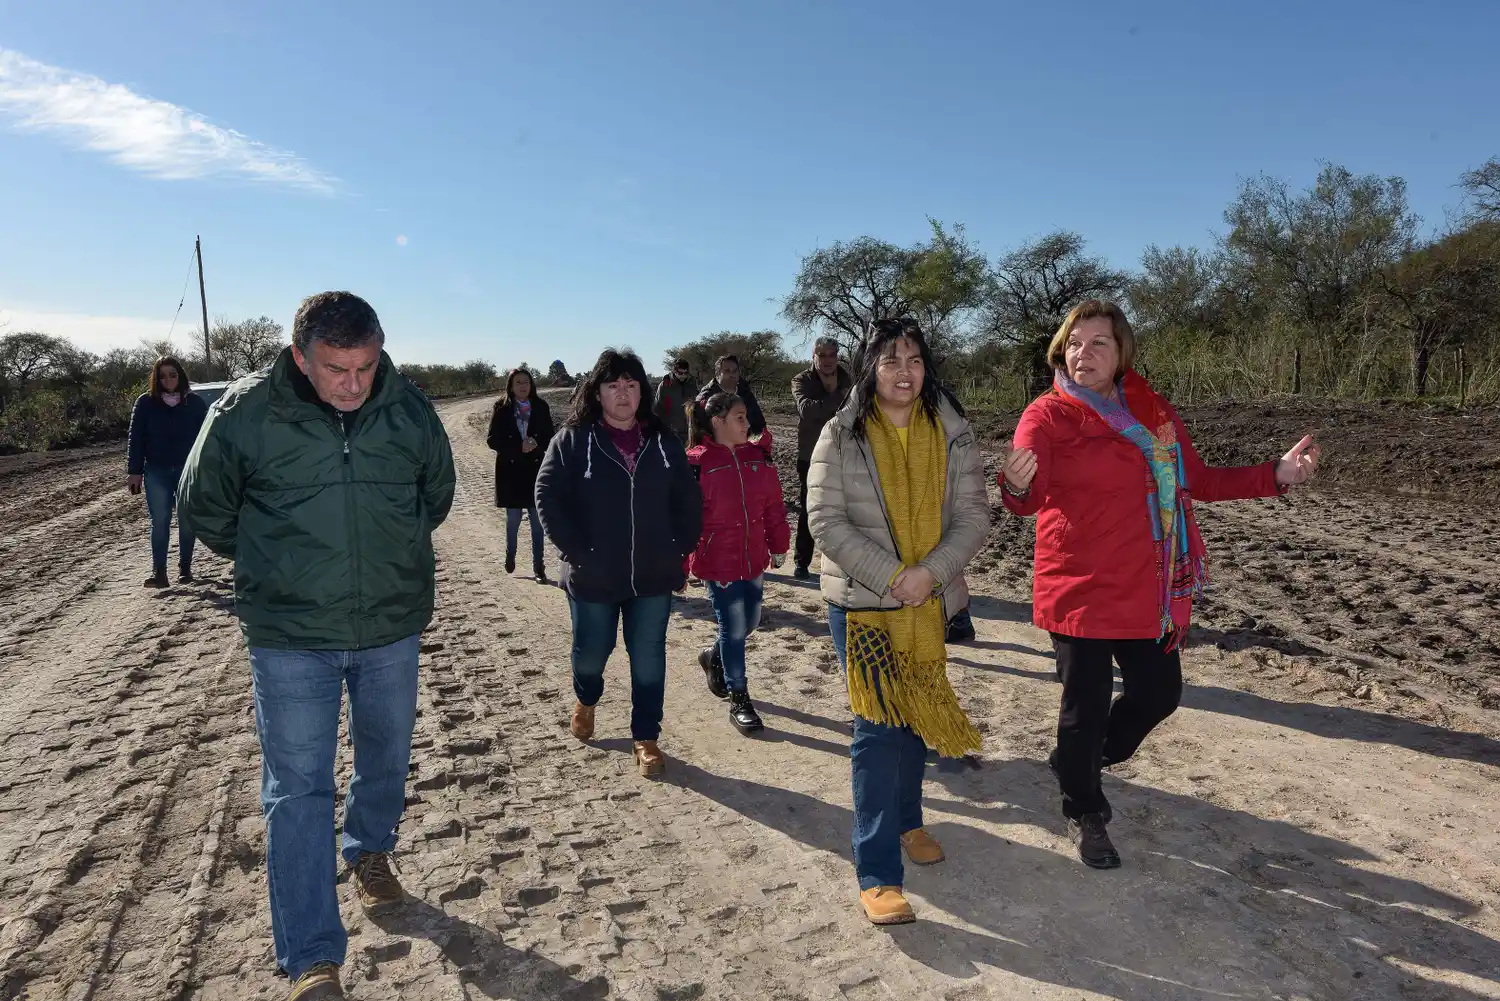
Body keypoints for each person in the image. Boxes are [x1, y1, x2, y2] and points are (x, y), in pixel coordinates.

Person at [179, 291, 455, 1001]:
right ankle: (312, 958)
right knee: (298, 787)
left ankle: (370, 850)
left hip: (388, 624)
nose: (354, 385)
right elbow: (202, 505)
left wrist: (386, 555)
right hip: (290, 636)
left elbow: (435, 496)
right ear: (300, 357)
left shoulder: (408, 409)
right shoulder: (245, 414)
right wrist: (276, 563)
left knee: (386, 755)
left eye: (366, 366)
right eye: (336, 368)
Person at [1001, 299, 1319, 872]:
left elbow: (1197, 481)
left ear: (1121, 351)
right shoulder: (1046, 414)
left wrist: (1276, 474)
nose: (1083, 353)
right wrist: (1017, 485)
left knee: (1158, 694)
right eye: (1074, 343)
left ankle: (1079, 761)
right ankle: (1085, 807)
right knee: (1084, 705)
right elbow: (1027, 499)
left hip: (1147, 583)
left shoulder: (1152, 410)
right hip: (1077, 585)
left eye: (1098, 342)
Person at [806, 317, 990, 926]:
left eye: (913, 359)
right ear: (870, 369)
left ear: (926, 368)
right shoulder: (842, 432)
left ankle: (909, 821)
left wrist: (929, 574)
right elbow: (824, 520)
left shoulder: (953, 431)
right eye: (890, 360)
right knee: (880, 728)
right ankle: (878, 871)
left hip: (928, 600)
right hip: (863, 603)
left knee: (913, 720)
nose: (903, 371)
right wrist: (892, 576)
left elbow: (973, 515)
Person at [536, 348, 702, 778]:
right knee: (591, 654)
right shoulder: (573, 440)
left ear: (642, 391)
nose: (623, 393)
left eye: (630, 384)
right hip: (593, 575)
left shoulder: (663, 441)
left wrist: (680, 547)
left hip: (652, 573)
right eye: (613, 385)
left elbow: (688, 498)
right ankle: (586, 698)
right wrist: (574, 549)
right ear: (598, 392)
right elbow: (547, 495)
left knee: (648, 655)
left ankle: (646, 736)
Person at [685, 392, 790, 735]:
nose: (747, 423)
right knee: (733, 629)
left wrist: (779, 543)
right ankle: (739, 698)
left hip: (753, 558)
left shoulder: (757, 457)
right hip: (719, 562)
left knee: (750, 622)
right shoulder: (697, 463)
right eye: (739, 417)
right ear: (718, 421)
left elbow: (773, 505)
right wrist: (679, 564)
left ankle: (713, 655)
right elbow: (684, 520)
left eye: (746, 416)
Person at [126, 356, 209, 588]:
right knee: (160, 521)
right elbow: (136, 438)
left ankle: (185, 569)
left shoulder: (194, 403)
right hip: (156, 470)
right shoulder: (145, 403)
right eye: (162, 376)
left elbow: (207, 437)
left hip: (187, 470)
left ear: (180, 375)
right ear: (156, 379)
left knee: (186, 519)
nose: (168, 379)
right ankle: (159, 572)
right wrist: (134, 471)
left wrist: (207, 469)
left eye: (173, 374)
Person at [790, 337, 851, 580]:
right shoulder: (801, 380)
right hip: (811, 455)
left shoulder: (847, 378)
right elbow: (807, 410)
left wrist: (834, 400)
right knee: (810, 509)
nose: (828, 360)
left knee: (844, 511)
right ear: (813, 356)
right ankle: (801, 562)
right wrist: (839, 397)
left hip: (844, 453)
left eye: (832, 354)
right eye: (822, 355)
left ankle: (843, 565)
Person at [487, 367, 555, 582]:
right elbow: (492, 440)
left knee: (538, 521)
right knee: (513, 519)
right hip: (511, 471)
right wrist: (518, 447)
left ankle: (539, 568)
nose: (523, 386)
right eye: (518, 382)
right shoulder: (501, 408)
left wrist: (535, 443)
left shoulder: (541, 407)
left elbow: (551, 436)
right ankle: (510, 554)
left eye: (526, 382)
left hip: (535, 470)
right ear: (511, 386)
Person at [696, 354, 766, 437]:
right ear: (717, 374)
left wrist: (758, 440)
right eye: (727, 371)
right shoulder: (706, 396)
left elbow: (759, 423)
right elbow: (699, 429)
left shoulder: (746, 394)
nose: (732, 374)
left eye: (735, 371)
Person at [653, 357, 694, 441]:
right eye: (680, 373)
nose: (683, 376)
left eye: (685, 373)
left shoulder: (692, 384)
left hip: (690, 431)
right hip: (671, 432)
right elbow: (657, 409)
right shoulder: (664, 386)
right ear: (674, 371)